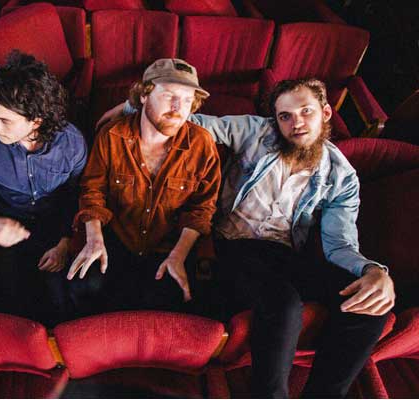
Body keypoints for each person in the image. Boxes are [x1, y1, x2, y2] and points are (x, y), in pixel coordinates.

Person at [101, 78, 395, 398]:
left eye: (306, 112)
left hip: (285, 253)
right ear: (275, 119)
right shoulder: (255, 131)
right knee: (283, 302)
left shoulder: (342, 176)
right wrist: (136, 106)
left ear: (325, 113)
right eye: (285, 116)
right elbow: (193, 121)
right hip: (231, 246)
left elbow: (338, 244)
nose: (296, 123)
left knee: (372, 305)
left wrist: (372, 271)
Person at [67, 58, 221, 316]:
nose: (177, 108)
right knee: (83, 287)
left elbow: (201, 209)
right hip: (116, 241)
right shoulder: (111, 136)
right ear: (143, 95)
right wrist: (94, 240)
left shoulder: (202, 144)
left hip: (167, 247)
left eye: (187, 100)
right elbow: (92, 191)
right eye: (169, 96)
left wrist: (178, 255)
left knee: (171, 300)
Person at [0, 51, 87, 324]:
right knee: (8, 303)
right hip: (5, 222)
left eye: (4, 120)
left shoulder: (72, 144)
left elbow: (76, 195)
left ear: (36, 120)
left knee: (62, 305)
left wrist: (65, 241)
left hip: (54, 227)